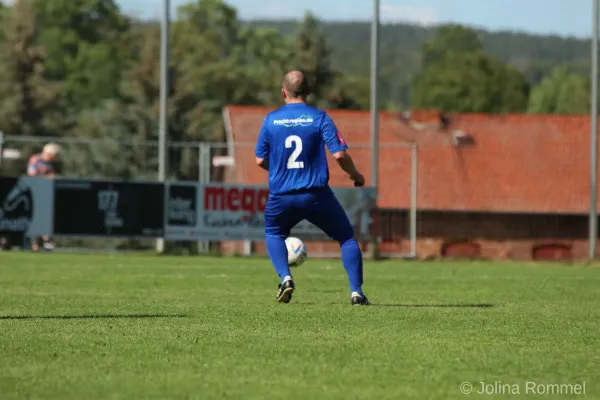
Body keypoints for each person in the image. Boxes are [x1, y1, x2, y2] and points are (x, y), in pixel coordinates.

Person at [255, 71, 369, 306]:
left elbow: (259, 159)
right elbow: (339, 154)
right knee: (346, 238)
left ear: (283, 92)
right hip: (316, 194)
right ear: (307, 92)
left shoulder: (271, 120)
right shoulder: (319, 118)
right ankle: (356, 293)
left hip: (282, 196)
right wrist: (355, 175)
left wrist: (280, 171)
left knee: (274, 233)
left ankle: (286, 278)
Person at [26, 142, 61, 251]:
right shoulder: (35, 160)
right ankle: (34, 244)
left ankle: (47, 242)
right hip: (34, 193)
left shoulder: (51, 164)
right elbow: (32, 175)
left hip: (45, 194)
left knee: (46, 217)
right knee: (34, 217)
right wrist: (46, 177)